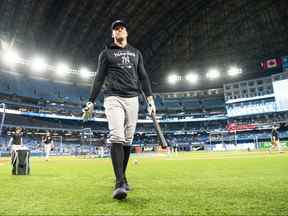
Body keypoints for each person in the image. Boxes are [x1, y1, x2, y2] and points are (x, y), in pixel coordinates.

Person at [82, 20, 155, 200]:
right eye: (116, 29)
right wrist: (91, 101)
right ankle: (119, 183)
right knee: (117, 136)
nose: (119, 30)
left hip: (133, 98)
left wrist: (150, 100)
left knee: (127, 140)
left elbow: (143, 77)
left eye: (122, 28)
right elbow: (99, 78)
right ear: (113, 34)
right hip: (113, 97)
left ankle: (123, 177)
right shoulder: (106, 54)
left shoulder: (136, 53)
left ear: (126, 33)